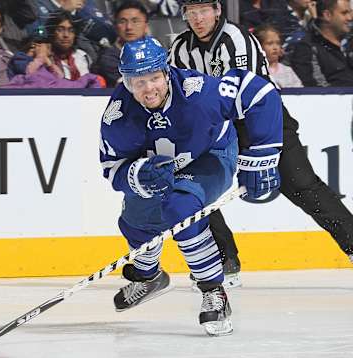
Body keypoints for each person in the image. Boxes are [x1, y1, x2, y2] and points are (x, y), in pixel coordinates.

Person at [100, 36, 283, 336]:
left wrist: (262, 157)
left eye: (155, 78)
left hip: (211, 156)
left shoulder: (199, 93)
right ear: (125, 81)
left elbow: (261, 92)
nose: (149, 89)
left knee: (180, 207)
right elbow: (111, 168)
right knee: (134, 221)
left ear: (167, 72)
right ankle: (148, 276)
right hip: (162, 171)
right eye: (138, 82)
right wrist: (138, 175)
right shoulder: (116, 117)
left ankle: (213, 291)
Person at [169, 0, 353, 289]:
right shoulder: (180, 48)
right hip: (215, 129)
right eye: (192, 13)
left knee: (304, 187)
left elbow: (249, 94)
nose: (198, 18)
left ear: (217, 11)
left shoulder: (238, 40)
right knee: (192, 189)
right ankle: (223, 261)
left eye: (203, 11)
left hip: (263, 123)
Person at [289, 0, 353, 86]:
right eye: (344, 13)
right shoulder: (308, 47)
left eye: (350, 12)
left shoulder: (349, 43)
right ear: (327, 15)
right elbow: (317, 91)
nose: (350, 18)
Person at [92, 0, 150, 87]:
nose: (129, 27)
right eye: (123, 22)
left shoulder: (156, 52)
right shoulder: (108, 58)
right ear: (115, 26)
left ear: (146, 26)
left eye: (135, 21)